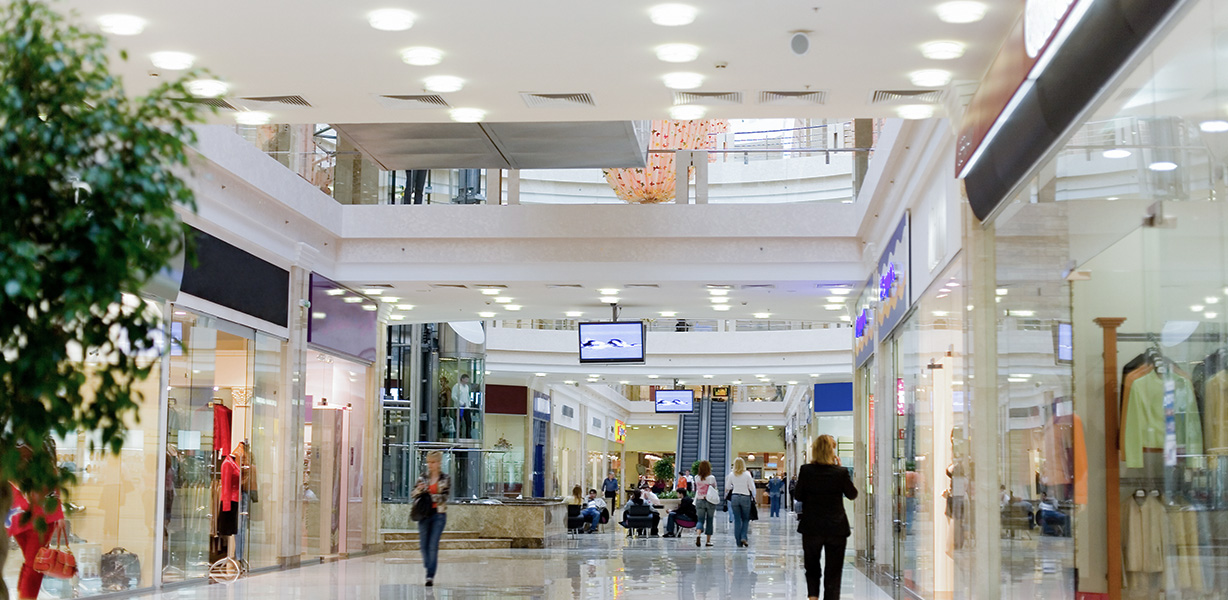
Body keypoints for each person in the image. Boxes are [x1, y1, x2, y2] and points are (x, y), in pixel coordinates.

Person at [795, 435, 858, 600]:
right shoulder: (840, 472)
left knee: (812, 566)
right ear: (831, 451)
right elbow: (852, 494)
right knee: (834, 571)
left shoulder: (806, 470)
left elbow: (798, 495)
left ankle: (813, 597)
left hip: (812, 526)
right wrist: (842, 471)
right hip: (836, 528)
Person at [7, 441, 66, 600]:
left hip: (41, 517)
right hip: (20, 516)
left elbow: (54, 486)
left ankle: (25, 596)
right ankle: (23, 595)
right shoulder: (12, 451)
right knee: (31, 563)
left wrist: (59, 514)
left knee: (33, 563)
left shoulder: (43, 454)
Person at [413, 450, 450, 586]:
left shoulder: (445, 478)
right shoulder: (423, 477)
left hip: (438, 515)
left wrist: (428, 494)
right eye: (428, 462)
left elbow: (444, 497)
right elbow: (413, 493)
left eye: (433, 462)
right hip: (424, 514)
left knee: (432, 545)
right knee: (423, 546)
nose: (430, 465)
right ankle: (429, 566)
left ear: (439, 463)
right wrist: (419, 489)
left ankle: (430, 575)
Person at [726, 457, 756, 548]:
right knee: (745, 519)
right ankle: (743, 536)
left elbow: (727, 487)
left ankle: (738, 542)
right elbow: (752, 488)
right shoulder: (747, 474)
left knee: (737, 519)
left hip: (735, 497)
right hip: (745, 497)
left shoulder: (731, 474)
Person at [693, 460, 718, 547]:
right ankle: (708, 541)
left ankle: (698, 535)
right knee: (710, 520)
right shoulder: (711, 478)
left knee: (700, 520)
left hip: (699, 500)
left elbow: (695, 489)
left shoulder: (696, 477)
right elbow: (715, 488)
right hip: (710, 501)